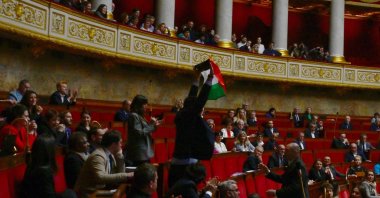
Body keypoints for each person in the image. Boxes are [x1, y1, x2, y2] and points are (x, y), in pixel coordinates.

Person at [169, 66, 215, 187]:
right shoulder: (189, 115)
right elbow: (200, 100)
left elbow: (192, 99)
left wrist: (196, 78)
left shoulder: (183, 114)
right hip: (185, 164)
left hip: (179, 159)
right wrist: (209, 79)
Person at [75, 130, 133, 197]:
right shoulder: (98, 156)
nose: (121, 145)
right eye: (120, 143)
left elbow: (119, 175)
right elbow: (100, 178)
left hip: (100, 190)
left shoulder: (110, 154)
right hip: (88, 194)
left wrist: (120, 158)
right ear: (114, 144)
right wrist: (127, 175)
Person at [126, 95, 160, 166]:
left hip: (144, 152)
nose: (146, 106)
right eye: (144, 104)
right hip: (139, 153)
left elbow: (145, 130)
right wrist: (151, 125)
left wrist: (153, 125)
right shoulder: (134, 116)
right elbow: (139, 133)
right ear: (138, 105)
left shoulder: (140, 116)